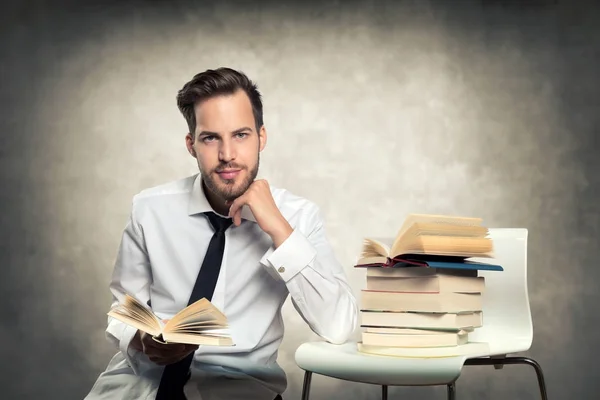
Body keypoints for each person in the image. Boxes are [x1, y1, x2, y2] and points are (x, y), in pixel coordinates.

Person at [85, 67, 358, 400]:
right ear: (191, 145)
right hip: (138, 386)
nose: (227, 154)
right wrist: (142, 340)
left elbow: (339, 326)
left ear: (262, 137)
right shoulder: (149, 209)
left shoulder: (298, 217)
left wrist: (279, 230)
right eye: (211, 137)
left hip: (239, 390)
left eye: (241, 135)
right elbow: (123, 310)